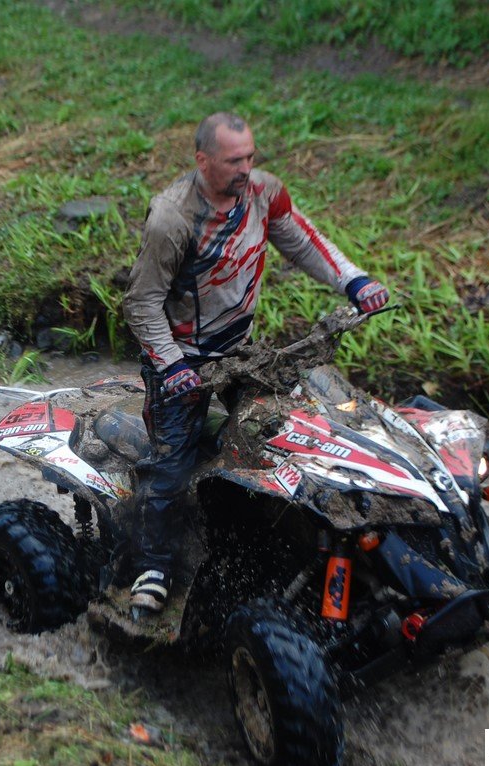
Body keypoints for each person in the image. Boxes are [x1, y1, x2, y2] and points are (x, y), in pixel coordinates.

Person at [121, 112, 389, 613]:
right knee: (171, 466)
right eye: (233, 161)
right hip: (180, 359)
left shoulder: (264, 192)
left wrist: (353, 280)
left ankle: (288, 539)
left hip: (242, 351)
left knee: (291, 435)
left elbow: (303, 242)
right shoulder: (172, 219)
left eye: (250, 157)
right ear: (203, 161)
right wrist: (173, 366)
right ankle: (153, 566)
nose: (246, 169)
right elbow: (141, 303)